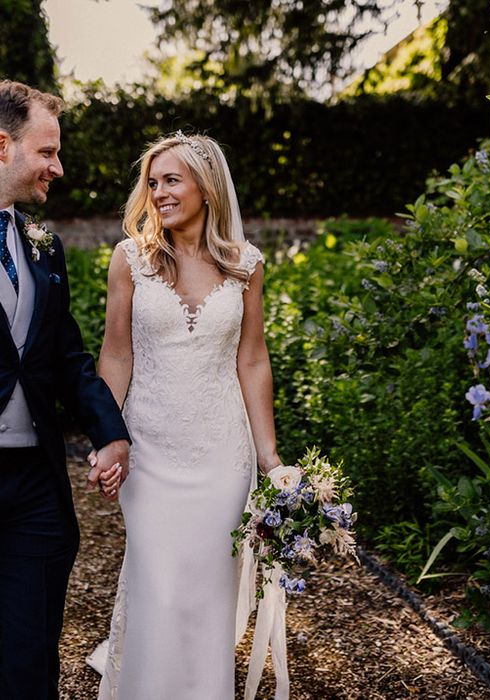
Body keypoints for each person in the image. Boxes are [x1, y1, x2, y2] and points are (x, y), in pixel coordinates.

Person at [93, 131, 281, 699]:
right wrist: (107, 434)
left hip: (223, 454)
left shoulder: (246, 265)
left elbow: (252, 360)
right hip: (150, 449)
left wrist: (270, 458)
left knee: (205, 594)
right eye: (152, 183)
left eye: (171, 180)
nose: (158, 193)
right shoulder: (130, 259)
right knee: (159, 586)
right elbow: (116, 353)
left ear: (206, 185)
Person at [0, 80, 130, 699]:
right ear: (3, 146)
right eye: (48, 151)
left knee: (28, 657)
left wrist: (110, 434)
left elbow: (68, 354)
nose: (60, 166)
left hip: (34, 482)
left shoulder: (43, 245)